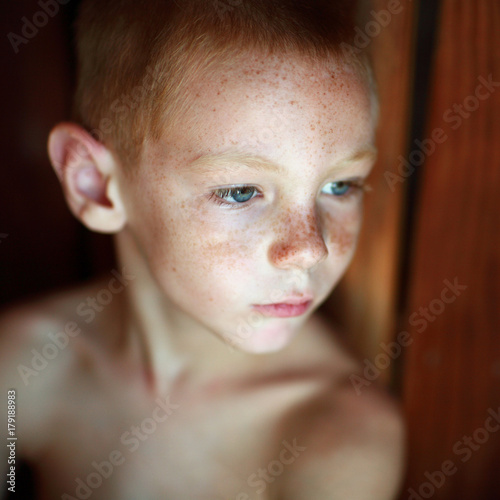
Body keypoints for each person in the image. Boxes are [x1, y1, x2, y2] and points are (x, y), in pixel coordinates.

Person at [1, 0, 405, 498]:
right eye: (239, 192)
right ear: (95, 187)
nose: (309, 249)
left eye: (341, 185)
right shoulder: (25, 369)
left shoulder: (336, 439)